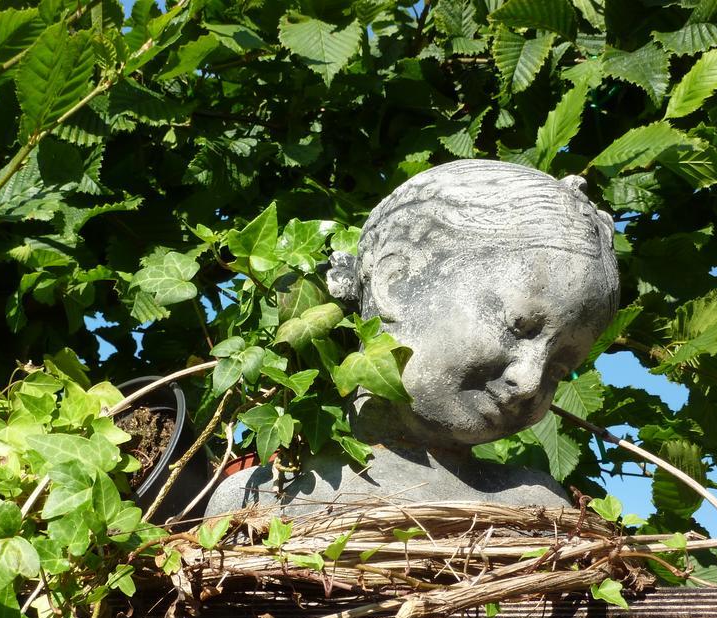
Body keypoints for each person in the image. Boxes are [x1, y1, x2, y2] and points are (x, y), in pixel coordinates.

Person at [207, 160, 620, 516]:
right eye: (520, 327)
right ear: (397, 283)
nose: (530, 381)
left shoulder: (538, 507)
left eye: (560, 369)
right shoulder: (263, 500)